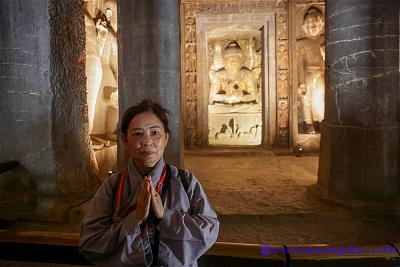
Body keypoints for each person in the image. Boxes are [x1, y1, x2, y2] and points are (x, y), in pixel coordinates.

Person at [79, 99, 219, 266]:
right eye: (138, 134)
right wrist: (135, 219)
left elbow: (209, 230)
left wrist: (165, 217)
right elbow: (90, 243)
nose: (147, 141)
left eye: (155, 133)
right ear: (125, 140)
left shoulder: (185, 181)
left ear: (166, 138)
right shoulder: (113, 186)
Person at [297, 6, 325, 134]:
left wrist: (324, 53)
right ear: (304, 27)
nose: (312, 26)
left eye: (315, 23)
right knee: (305, 97)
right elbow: (299, 63)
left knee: (321, 97)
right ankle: (309, 123)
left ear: (322, 24)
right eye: (309, 23)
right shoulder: (301, 43)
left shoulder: (324, 40)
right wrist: (301, 82)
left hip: (321, 72)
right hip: (308, 72)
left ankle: (321, 121)